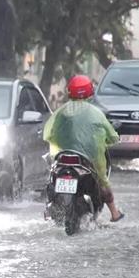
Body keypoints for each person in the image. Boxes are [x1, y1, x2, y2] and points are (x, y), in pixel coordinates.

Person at [42, 74, 125, 222]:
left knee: (51, 175)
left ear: (70, 92)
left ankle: (49, 208)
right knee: (103, 181)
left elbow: (47, 133)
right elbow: (112, 136)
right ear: (89, 92)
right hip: (89, 159)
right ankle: (114, 213)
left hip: (62, 158)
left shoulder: (61, 112)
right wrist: (113, 139)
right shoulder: (96, 113)